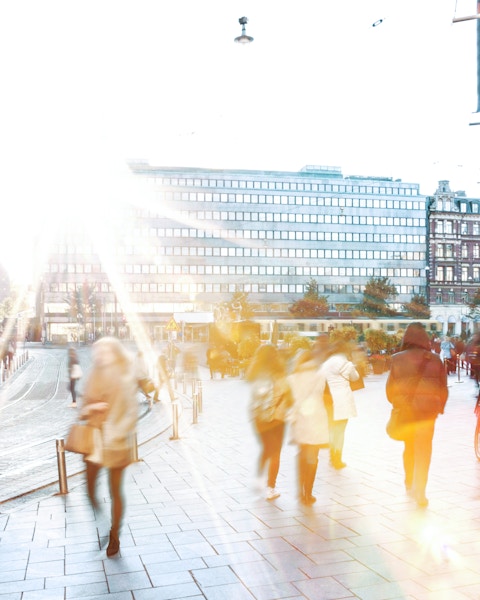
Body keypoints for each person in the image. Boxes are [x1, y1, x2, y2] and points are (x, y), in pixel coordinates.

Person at [80, 337, 138, 557]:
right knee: (90, 491)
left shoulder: (125, 374)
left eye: (104, 350)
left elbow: (131, 412)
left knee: (115, 492)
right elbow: (84, 407)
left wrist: (117, 433)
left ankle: (114, 536)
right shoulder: (95, 373)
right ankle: (105, 525)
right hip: (94, 441)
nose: (99, 354)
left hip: (117, 443)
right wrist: (93, 406)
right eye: (97, 350)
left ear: (115, 353)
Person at [386, 322, 448, 508]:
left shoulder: (397, 359)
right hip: (427, 415)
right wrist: (438, 408)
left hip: (407, 413)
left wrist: (399, 403)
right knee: (424, 451)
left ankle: (409, 483)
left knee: (409, 448)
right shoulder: (436, 360)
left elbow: (390, 390)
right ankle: (421, 492)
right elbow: (443, 389)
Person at [245, 344, 293, 501]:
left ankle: (258, 480)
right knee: (275, 453)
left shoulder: (254, 375)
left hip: (258, 419)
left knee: (266, 449)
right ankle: (270, 488)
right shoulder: (280, 375)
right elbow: (290, 397)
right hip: (276, 419)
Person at [288, 350, 328, 505]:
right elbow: (324, 396)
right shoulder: (320, 376)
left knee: (301, 456)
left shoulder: (291, 378)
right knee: (312, 458)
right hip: (316, 420)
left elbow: (290, 401)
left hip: (299, 420)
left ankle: (300, 491)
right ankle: (308, 494)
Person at [319, 339, 360, 470]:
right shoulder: (347, 364)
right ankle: (338, 458)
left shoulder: (325, 364)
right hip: (342, 400)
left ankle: (332, 455)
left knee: (331, 428)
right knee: (340, 431)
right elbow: (355, 377)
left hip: (329, 400)